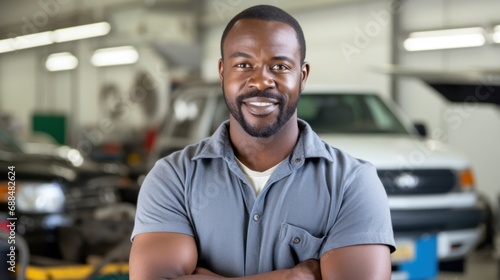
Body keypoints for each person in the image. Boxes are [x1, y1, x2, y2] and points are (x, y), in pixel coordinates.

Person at [129, 4, 395, 279]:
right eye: (243, 65)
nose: (261, 81)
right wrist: (291, 277)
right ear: (223, 72)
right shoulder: (173, 178)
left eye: (279, 66)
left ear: (302, 76)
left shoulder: (351, 183)